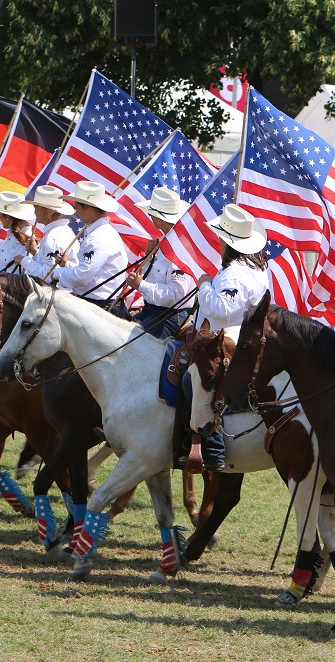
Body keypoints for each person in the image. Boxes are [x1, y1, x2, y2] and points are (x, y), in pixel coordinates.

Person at [192, 203, 270, 471]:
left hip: (228, 338)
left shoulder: (236, 272)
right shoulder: (255, 266)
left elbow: (224, 310)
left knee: (201, 380)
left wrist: (203, 285)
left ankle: (212, 448)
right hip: (240, 336)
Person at [128, 187, 196, 339]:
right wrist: (148, 256)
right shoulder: (166, 242)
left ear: (158, 219)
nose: (149, 216)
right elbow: (151, 276)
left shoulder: (179, 249)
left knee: (133, 345)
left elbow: (175, 295)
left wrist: (141, 285)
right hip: (154, 311)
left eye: (151, 213)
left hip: (169, 315)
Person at [51, 181, 129, 309]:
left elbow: (81, 277)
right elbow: (92, 272)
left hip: (97, 305)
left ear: (88, 207)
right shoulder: (103, 232)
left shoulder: (97, 238)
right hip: (98, 301)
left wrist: (58, 272)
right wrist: (67, 265)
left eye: (78, 208)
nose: (77, 213)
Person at [20, 186, 77, 280]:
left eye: (35, 208)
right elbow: (48, 265)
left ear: (42, 211)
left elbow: (47, 276)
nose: (34, 212)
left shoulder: (53, 237)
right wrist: (35, 252)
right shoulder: (62, 230)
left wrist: (24, 260)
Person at [0, 192, 35, 275]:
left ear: (7, 217)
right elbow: (1, 267)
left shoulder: (29, 238)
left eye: (0, 214)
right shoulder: (13, 234)